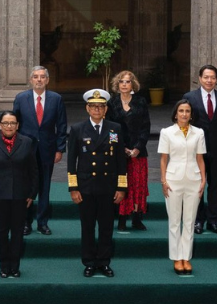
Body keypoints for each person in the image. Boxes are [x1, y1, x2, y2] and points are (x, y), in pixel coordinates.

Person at [67, 89, 128, 277]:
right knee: (87, 227)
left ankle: (103, 261)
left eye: (100, 106)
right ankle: (89, 262)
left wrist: (121, 187)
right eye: (93, 106)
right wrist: (73, 187)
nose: (97, 109)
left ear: (106, 109)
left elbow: (120, 160)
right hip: (86, 187)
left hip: (108, 187)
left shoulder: (114, 129)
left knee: (106, 227)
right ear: (87, 108)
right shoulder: (78, 129)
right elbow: (71, 161)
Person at [0, 111, 37, 278]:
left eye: (12, 123)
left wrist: (32, 194)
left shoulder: (27, 142)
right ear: (0, 125)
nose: (9, 126)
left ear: (18, 125)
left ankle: (15, 266)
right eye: (6, 123)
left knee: (18, 232)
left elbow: (34, 170)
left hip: (21, 195)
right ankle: (4, 266)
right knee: (1, 232)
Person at [12, 66, 67, 236]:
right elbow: (15, 124)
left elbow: (62, 125)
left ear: (47, 80)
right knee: (26, 186)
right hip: (26, 150)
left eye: (42, 77)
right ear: (31, 80)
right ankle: (26, 223)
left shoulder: (56, 99)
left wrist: (60, 149)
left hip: (47, 150)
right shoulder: (21, 98)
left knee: (44, 186)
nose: (39, 80)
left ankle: (42, 223)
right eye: (36, 77)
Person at [158, 99, 205, 275]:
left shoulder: (199, 133)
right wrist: (163, 181)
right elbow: (163, 159)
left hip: (193, 179)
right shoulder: (166, 132)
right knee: (175, 221)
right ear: (175, 113)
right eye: (181, 111)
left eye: (187, 111)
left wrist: (203, 181)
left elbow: (200, 158)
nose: (184, 114)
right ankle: (176, 257)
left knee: (189, 221)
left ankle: (186, 257)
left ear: (191, 114)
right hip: (173, 180)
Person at [185, 64, 217, 235]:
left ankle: (213, 221)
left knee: (215, 186)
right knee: (197, 185)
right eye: (206, 77)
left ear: (216, 79)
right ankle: (198, 220)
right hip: (196, 150)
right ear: (200, 78)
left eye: (212, 77)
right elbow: (184, 123)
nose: (209, 80)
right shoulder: (190, 97)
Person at [107, 70, 151, 232]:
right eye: (121, 82)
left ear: (133, 84)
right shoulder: (111, 103)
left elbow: (146, 127)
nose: (124, 84)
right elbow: (110, 131)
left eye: (127, 82)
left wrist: (138, 147)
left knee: (138, 185)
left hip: (139, 153)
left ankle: (137, 218)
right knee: (122, 184)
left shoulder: (140, 102)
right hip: (119, 153)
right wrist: (122, 148)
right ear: (117, 85)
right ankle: (122, 220)